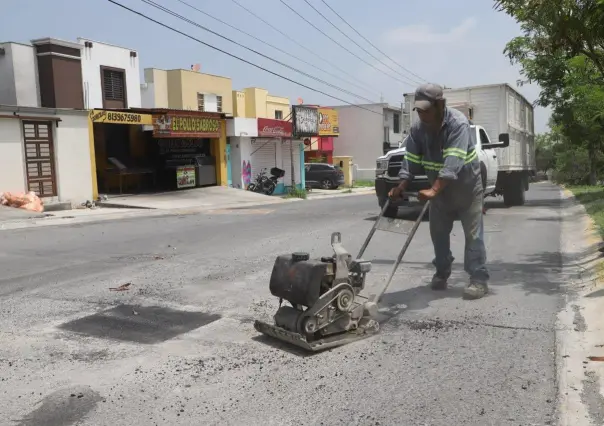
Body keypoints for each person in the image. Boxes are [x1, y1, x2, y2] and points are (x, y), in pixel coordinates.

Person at [388, 83, 489, 300]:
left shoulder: (457, 124)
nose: (422, 114)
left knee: (474, 236)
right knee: (438, 235)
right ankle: (442, 272)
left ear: (440, 104)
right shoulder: (417, 129)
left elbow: (452, 163)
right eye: (419, 110)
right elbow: (412, 160)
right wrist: (401, 186)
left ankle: (478, 279)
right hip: (440, 194)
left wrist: (433, 190)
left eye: (427, 109)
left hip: (467, 190)